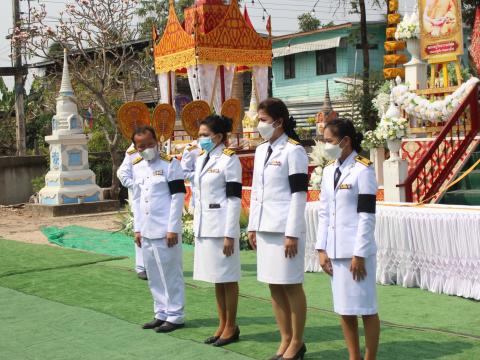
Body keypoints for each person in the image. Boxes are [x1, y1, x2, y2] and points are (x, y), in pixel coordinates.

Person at [248, 98, 309, 360]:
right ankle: (284, 338)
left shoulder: (294, 151)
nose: (259, 125)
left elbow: (298, 194)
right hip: (264, 227)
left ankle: (297, 341)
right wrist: (252, 226)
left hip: (284, 229)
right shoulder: (262, 150)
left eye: (263, 120)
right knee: (273, 285)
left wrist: (292, 232)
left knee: (291, 285)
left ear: (279, 121)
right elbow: (257, 191)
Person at [315, 119, 380, 360]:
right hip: (335, 250)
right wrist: (321, 248)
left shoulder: (363, 170)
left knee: (366, 308)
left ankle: (369, 357)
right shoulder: (330, 169)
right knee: (344, 309)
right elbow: (324, 212)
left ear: (345, 141)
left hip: (356, 251)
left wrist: (359, 253)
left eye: (329, 141)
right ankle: (353, 356)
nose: (326, 145)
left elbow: (366, 215)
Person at [192, 115, 243, 347]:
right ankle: (222, 324)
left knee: (228, 278)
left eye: (205, 135)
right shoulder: (203, 158)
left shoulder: (229, 160)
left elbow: (234, 199)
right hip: (206, 226)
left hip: (222, 227)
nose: (200, 139)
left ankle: (231, 326)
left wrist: (230, 233)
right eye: (200, 135)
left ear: (219, 137)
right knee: (217, 279)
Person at [131, 126, 187, 333]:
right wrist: (138, 229)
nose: (146, 149)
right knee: (154, 274)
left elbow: (177, 197)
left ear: (157, 142)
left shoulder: (170, 164)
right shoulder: (137, 167)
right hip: (146, 230)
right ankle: (161, 312)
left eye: (149, 144)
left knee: (171, 273)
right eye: (141, 146)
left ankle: (176, 315)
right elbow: (136, 200)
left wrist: (172, 228)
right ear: (136, 148)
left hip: (165, 230)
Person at [117, 143, 147, 280]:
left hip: (157, 200)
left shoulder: (157, 145)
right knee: (140, 231)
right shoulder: (133, 151)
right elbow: (122, 174)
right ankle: (141, 267)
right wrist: (136, 186)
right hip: (141, 199)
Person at [180, 140, 201, 210]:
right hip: (199, 193)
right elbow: (184, 173)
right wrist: (203, 174)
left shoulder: (221, 149)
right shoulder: (191, 149)